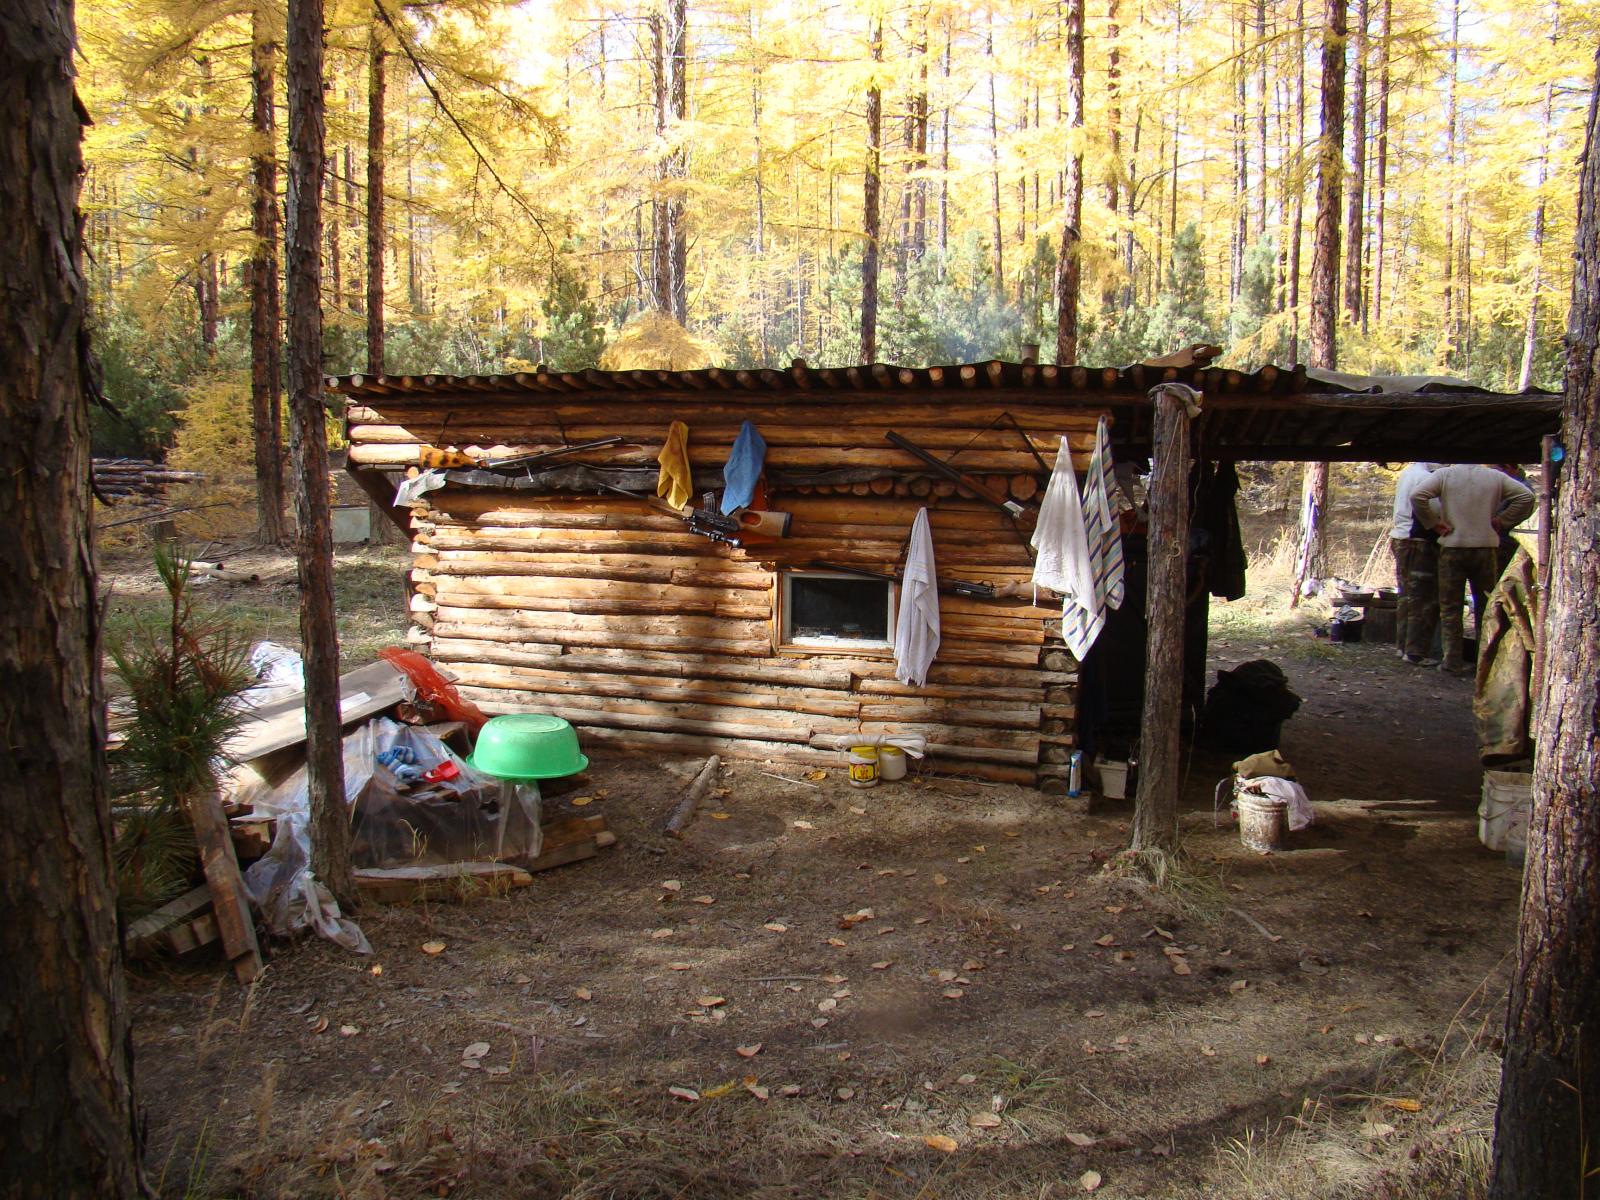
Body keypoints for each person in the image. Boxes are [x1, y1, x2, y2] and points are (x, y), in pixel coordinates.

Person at [1410, 463, 1537, 675]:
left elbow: (1417, 496)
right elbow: (1527, 497)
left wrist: (1433, 523)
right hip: (1486, 548)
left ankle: (1452, 661)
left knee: (1450, 607)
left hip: (1453, 547)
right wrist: (1503, 521)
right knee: (1487, 606)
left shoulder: (1445, 475)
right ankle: (1484, 660)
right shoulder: (1494, 477)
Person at [1389, 463, 1441, 664]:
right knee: (1422, 598)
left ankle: (1402, 646)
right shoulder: (1426, 477)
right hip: (1416, 540)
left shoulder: (1409, 472)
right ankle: (1416, 652)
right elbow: (1433, 508)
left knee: (1406, 596)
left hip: (1401, 538)